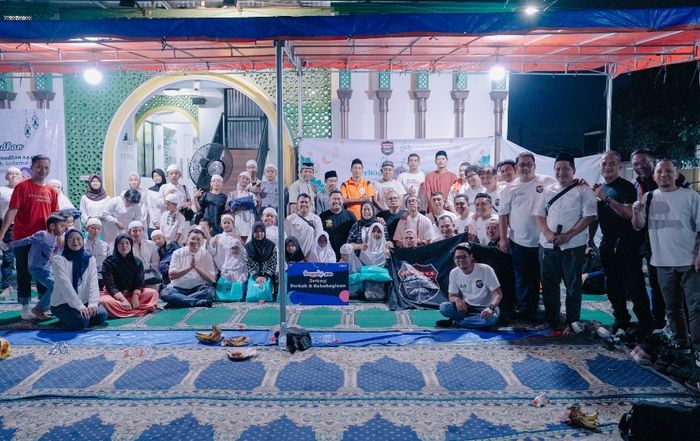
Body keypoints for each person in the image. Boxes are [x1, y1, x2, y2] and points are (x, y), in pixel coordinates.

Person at [631, 159, 700, 385]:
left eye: (668, 171)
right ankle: (682, 346)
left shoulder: (690, 196)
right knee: (672, 308)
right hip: (662, 262)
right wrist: (635, 212)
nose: (664, 175)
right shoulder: (649, 197)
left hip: (689, 262)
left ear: (676, 174)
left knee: (695, 307)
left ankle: (698, 352)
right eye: (660, 171)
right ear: (654, 176)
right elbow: (638, 226)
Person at [534, 152, 597, 334]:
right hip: (547, 246)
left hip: (573, 246)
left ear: (573, 170)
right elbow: (539, 215)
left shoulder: (584, 190)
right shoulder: (548, 191)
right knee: (549, 285)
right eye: (558, 169)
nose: (561, 172)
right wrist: (547, 233)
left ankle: (572, 322)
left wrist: (568, 235)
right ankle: (552, 320)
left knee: (573, 286)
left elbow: (589, 216)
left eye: (566, 169)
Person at [592, 151, 652, 336]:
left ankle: (645, 324)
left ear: (619, 166)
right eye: (604, 163)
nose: (607, 167)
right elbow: (595, 217)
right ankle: (621, 320)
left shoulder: (626, 187)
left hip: (627, 244)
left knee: (634, 285)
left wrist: (607, 198)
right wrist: (589, 240)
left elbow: (628, 214)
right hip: (608, 244)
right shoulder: (600, 189)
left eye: (612, 163)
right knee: (612, 286)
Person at [0, 155, 59, 320]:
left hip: (43, 241)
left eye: (46, 167)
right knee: (23, 272)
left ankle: (42, 305)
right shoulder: (22, 187)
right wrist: (2, 234)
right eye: (39, 166)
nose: (43, 170)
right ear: (32, 167)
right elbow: (12, 211)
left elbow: (55, 216)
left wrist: (58, 236)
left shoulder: (52, 191)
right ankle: (25, 306)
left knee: (43, 271)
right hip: (22, 238)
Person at [498, 152, 557, 318]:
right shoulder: (510, 189)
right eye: (522, 165)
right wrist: (503, 238)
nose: (526, 168)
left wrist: (578, 182)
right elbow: (502, 215)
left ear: (534, 166)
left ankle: (548, 311)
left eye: (529, 164)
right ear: (517, 167)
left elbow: (564, 187)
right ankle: (524, 310)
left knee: (544, 278)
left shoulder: (546, 181)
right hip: (519, 241)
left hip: (544, 241)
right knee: (523, 278)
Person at [3, 213, 66, 320]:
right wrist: (9, 246)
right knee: (56, 287)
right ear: (52, 226)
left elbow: (52, 254)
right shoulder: (42, 235)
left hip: (47, 269)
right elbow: (26, 241)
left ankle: (46, 307)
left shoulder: (55, 239)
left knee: (58, 286)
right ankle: (39, 309)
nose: (64, 229)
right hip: (37, 269)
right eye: (62, 226)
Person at [630, 148, 665, 329]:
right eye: (636, 164)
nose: (640, 166)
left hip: (666, 240)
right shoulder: (634, 184)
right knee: (653, 281)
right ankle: (656, 319)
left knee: (668, 283)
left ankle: (677, 325)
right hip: (644, 240)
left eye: (644, 161)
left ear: (653, 161)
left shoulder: (666, 181)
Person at [50, 229, 108, 330]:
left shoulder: (89, 259)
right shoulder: (59, 259)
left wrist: (93, 304)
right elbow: (65, 287)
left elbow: (93, 282)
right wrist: (79, 306)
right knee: (81, 322)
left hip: (84, 301)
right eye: (71, 239)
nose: (75, 242)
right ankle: (72, 316)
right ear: (66, 241)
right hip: (62, 303)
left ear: (82, 239)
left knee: (101, 315)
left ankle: (76, 317)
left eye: (78, 239)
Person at [436, 242, 503, 329]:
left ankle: (456, 322)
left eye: (464, 257)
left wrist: (491, 308)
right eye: (458, 257)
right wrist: (457, 300)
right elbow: (451, 296)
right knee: (444, 307)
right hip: (467, 307)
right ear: (454, 259)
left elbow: (498, 294)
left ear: (471, 257)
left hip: (486, 307)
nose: (461, 260)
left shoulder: (486, 269)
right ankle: (472, 321)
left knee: (491, 319)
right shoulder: (454, 273)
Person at [99, 234, 159, 318]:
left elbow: (139, 282)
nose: (124, 246)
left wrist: (135, 297)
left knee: (153, 293)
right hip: (113, 295)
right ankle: (138, 310)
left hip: (131, 294)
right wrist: (122, 299)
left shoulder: (137, 262)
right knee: (105, 302)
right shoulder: (108, 262)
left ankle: (123, 311)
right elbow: (110, 285)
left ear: (131, 245)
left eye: (127, 243)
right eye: (121, 243)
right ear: (116, 246)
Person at [161, 228, 216, 308]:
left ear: (202, 242)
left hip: (198, 288)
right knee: (165, 293)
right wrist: (189, 268)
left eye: (198, 239)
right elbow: (171, 276)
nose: (195, 241)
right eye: (193, 238)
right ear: (187, 239)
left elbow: (211, 279)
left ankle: (177, 301)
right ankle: (197, 302)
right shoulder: (177, 253)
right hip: (178, 288)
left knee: (210, 292)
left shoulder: (206, 254)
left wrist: (197, 268)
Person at [0, 167, 21, 299]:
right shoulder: (1, 190)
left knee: (24, 257)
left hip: (24, 227)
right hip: (7, 227)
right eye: (10, 174)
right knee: (8, 257)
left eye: (16, 174)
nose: (13, 176)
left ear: (21, 176)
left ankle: (23, 285)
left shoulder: (25, 189)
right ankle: (7, 286)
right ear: (6, 177)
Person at [245, 221, 277, 302]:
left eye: (261, 231)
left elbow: (273, 264)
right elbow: (248, 265)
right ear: (253, 232)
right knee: (253, 297)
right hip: (254, 276)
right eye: (256, 231)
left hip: (269, 276)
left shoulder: (272, 246)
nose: (259, 234)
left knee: (269, 296)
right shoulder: (248, 247)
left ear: (264, 232)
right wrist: (256, 277)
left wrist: (265, 277)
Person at [320, 190, 356, 260]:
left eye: (339, 199)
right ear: (329, 201)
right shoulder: (323, 216)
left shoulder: (350, 215)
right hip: (329, 255)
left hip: (347, 254)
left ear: (342, 200)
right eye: (334, 199)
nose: (336, 201)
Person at [284, 193, 322, 258]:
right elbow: (286, 238)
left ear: (311, 204)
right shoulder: (289, 219)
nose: (304, 204)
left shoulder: (316, 219)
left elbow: (319, 237)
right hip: (293, 256)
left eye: (306, 202)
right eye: (301, 202)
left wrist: (311, 253)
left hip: (311, 256)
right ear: (297, 204)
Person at [228, 171, 257, 242]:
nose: (244, 180)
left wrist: (239, 204)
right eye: (243, 178)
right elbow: (229, 208)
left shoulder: (251, 194)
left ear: (249, 181)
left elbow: (254, 205)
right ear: (238, 179)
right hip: (236, 221)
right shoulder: (232, 194)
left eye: (247, 179)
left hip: (249, 221)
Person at [83, 218, 110, 288]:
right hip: (85, 277)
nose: (96, 231)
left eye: (98, 229)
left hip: (101, 278)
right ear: (87, 229)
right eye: (92, 228)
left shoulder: (105, 246)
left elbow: (109, 264)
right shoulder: (81, 245)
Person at [146, 168, 166, 234]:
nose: (156, 178)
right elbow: (149, 206)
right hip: (154, 223)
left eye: (158, 175)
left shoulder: (168, 188)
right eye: (154, 177)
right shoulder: (150, 190)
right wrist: (155, 222)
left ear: (162, 176)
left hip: (167, 222)